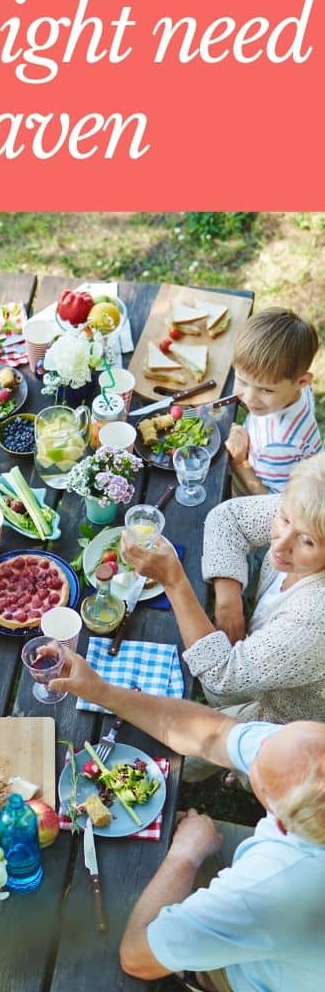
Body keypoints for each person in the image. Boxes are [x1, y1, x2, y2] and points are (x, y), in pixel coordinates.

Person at [48, 652, 325, 992]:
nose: (257, 746)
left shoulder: (269, 887)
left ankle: (211, 982)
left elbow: (136, 956)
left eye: (256, 774)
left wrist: (186, 855)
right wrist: (102, 692)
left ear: (280, 822)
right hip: (294, 924)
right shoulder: (305, 761)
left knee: (153, 870)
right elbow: (212, 734)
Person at [119, 454, 325, 734]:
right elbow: (228, 518)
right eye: (284, 518)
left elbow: (220, 682)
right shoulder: (308, 508)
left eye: (307, 541)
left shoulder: (314, 619)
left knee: (164, 748)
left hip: (280, 723)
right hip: (255, 668)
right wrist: (228, 604)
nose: (281, 545)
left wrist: (174, 581)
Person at [225, 307, 321, 496]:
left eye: (266, 390)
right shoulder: (293, 394)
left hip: (255, 493)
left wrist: (239, 462)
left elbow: (272, 503)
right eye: (242, 381)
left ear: (301, 382)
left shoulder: (282, 446)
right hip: (257, 453)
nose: (250, 398)